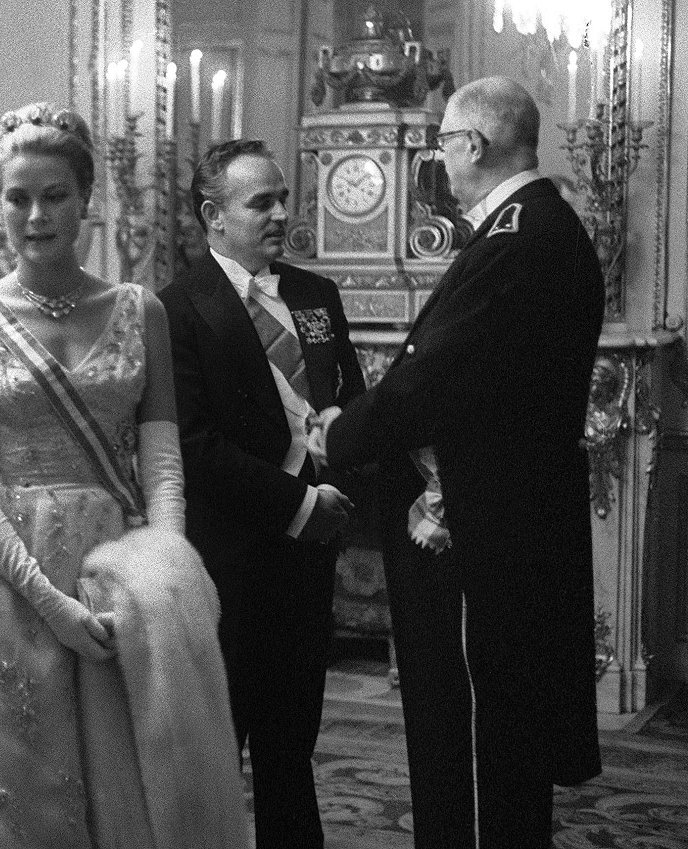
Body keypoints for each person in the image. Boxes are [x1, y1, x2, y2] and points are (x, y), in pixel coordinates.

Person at [0, 102, 247, 849]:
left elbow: (162, 462)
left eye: (54, 195)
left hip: (117, 573)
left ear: (86, 198)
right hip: (11, 581)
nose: (35, 215)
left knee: (124, 783)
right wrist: (48, 600)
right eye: (18, 197)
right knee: (22, 786)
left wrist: (165, 571)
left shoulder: (139, 310)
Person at [311, 76, 604, 848]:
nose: (439, 158)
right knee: (491, 741)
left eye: (443, 142)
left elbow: (431, 378)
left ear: (472, 144)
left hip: (482, 531)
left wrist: (339, 435)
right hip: (507, 520)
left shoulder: (518, 237)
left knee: (471, 739)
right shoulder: (532, 226)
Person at [158, 138, 366, 849]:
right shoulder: (175, 309)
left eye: (283, 198)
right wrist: (297, 505)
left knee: (291, 749)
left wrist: (336, 477)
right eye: (261, 202)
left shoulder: (315, 295)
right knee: (216, 750)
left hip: (307, 560)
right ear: (213, 216)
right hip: (229, 560)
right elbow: (194, 444)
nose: (282, 213)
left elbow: (347, 400)